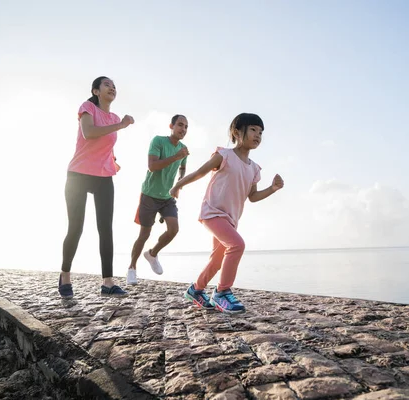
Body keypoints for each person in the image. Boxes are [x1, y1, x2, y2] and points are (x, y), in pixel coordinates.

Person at [170, 113, 284, 313]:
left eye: (261, 132)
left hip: (230, 220)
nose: (258, 135)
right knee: (237, 245)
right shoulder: (225, 155)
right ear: (237, 132)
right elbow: (200, 172)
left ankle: (196, 290)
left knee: (217, 259)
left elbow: (253, 197)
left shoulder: (254, 169)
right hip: (212, 213)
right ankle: (222, 293)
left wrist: (273, 189)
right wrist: (178, 184)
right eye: (253, 130)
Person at [58, 76, 134, 299]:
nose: (112, 87)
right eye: (107, 84)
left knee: (105, 228)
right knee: (76, 227)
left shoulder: (114, 117)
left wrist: (112, 159)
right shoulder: (88, 107)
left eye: (114, 86)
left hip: (103, 176)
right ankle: (65, 275)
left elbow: (106, 144)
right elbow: (89, 133)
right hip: (78, 175)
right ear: (96, 90)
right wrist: (121, 125)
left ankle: (108, 282)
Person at [127, 115, 190, 285]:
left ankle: (152, 254)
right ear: (171, 125)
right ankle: (132, 268)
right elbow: (152, 166)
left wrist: (179, 183)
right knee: (144, 234)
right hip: (149, 195)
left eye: (186, 127)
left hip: (167, 197)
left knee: (173, 230)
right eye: (180, 125)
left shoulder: (184, 149)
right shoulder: (159, 141)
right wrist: (177, 157)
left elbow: (183, 168)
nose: (183, 129)